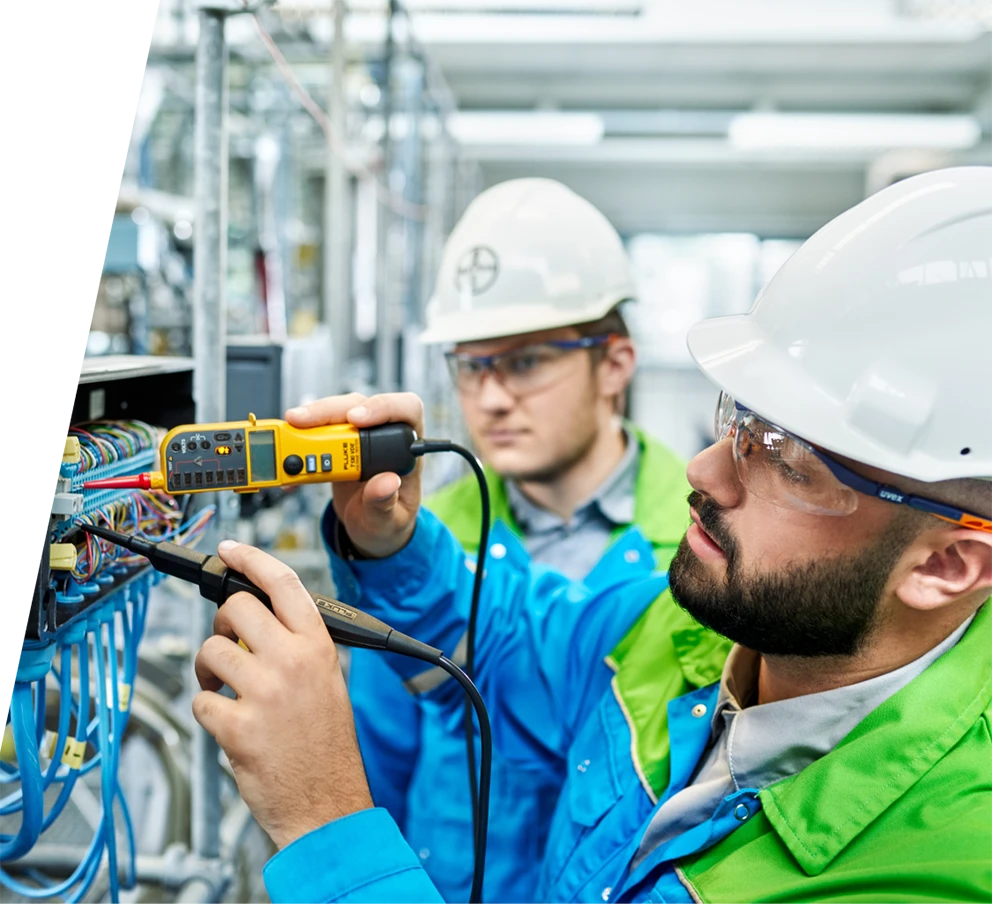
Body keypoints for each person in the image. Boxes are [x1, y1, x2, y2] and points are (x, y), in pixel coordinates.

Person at [192, 166, 992, 903]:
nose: (704, 474)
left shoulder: (938, 865)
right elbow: (504, 637)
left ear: (948, 563)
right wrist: (389, 539)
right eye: (738, 422)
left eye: (784, 460)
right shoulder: (692, 626)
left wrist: (329, 826)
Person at [345, 178, 714, 902]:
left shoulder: (703, 547)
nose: (489, 397)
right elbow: (376, 763)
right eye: (472, 364)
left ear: (614, 364)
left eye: (525, 362)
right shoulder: (418, 541)